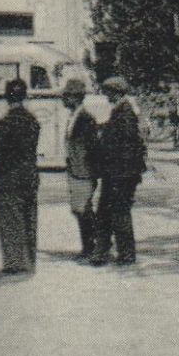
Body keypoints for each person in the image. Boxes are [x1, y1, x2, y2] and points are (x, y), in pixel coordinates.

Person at [0, 78, 41, 275]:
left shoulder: (4, 123)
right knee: (29, 219)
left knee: (11, 220)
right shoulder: (33, 121)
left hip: (9, 178)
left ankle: (14, 263)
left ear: (6, 98)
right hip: (29, 176)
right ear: (24, 96)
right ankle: (29, 263)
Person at [91, 77, 146, 266]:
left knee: (119, 213)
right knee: (107, 212)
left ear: (115, 92)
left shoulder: (125, 113)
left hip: (120, 174)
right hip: (116, 173)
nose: (106, 97)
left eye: (107, 92)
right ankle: (106, 251)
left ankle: (126, 254)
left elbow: (125, 145)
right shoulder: (121, 111)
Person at [60, 78, 103, 261]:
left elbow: (91, 148)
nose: (63, 99)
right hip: (75, 170)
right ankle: (90, 246)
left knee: (83, 209)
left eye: (66, 96)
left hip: (83, 172)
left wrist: (89, 171)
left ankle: (93, 246)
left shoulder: (86, 119)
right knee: (80, 209)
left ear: (75, 98)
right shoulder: (75, 117)